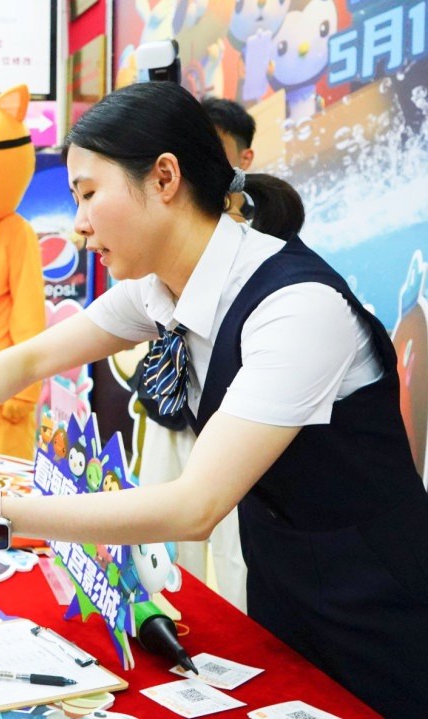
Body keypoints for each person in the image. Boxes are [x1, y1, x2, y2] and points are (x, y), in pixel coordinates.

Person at [0, 82, 428, 717]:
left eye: (88, 194)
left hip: (379, 595)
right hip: (282, 580)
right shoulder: (158, 287)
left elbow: (194, 506)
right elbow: (27, 359)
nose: (78, 224)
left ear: (164, 178)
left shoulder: (297, 308)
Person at [136, 97, 263, 612]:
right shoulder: (159, 231)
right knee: (157, 536)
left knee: (234, 549)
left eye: (212, 146)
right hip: (170, 406)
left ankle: (234, 642)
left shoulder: (261, 242)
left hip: (233, 420)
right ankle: (168, 620)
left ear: (244, 159)